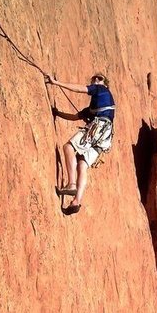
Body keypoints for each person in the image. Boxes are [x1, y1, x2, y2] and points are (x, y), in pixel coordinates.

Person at [45, 73, 115, 215]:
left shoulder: (101, 90)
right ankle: (77, 201)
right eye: (94, 78)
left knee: (68, 147)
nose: (96, 80)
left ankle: (72, 184)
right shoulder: (94, 107)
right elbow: (74, 117)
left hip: (98, 127)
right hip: (105, 138)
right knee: (82, 164)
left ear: (105, 83)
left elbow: (79, 89)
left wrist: (56, 83)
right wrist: (57, 113)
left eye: (99, 79)